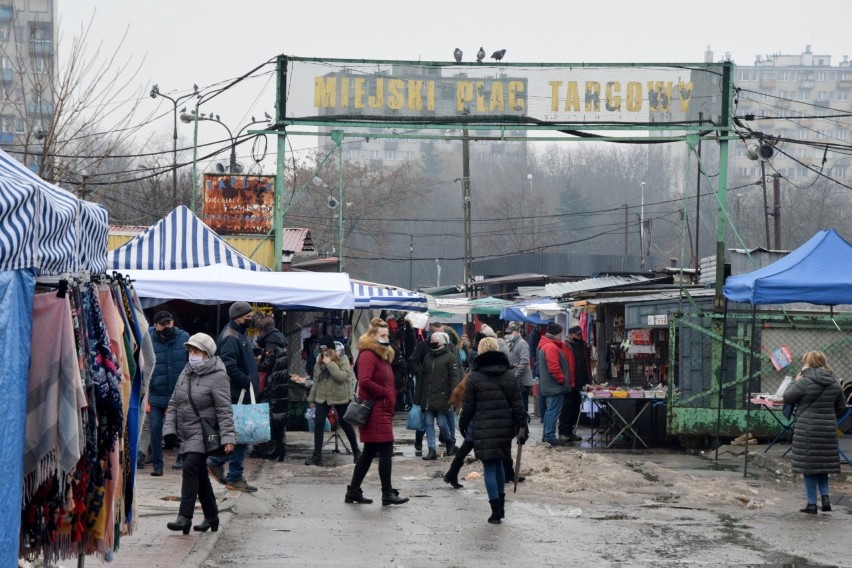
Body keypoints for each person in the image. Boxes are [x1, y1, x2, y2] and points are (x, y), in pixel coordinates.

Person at [163, 333, 236, 534]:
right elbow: (174, 403)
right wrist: (169, 429)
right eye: (190, 351)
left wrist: (229, 437)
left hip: (204, 433)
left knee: (189, 467)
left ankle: (184, 516)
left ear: (207, 354)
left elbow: (224, 408)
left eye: (196, 351)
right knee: (199, 475)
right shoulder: (186, 372)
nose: (192, 355)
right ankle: (212, 517)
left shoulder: (218, 375)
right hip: (185, 432)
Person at [458, 337, 527, 524]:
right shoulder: (508, 375)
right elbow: (518, 405)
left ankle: (495, 510)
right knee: (499, 464)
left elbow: (468, 406)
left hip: (483, 425)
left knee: (489, 466)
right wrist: (522, 427)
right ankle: (501, 508)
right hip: (505, 428)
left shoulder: (474, 377)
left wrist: (462, 425)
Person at [345, 318, 408, 506]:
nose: (386, 337)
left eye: (387, 334)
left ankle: (353, 491)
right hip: (374, 409)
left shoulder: (381, 354)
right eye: (383, 335)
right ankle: (387, 493)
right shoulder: (368, 355)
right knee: (385, 450)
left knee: (370, 451)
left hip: (381, 409)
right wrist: (385, 393)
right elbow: (364, 381)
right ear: (372, 336)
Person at [782, 350, 846, 514]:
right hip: (828, 429)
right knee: (822, 464)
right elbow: (841, 407)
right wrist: (828, 416)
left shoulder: (804, 381)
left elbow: (787, 397)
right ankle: (825, 500)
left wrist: (794, 381)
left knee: (809, 466)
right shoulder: (834, 383)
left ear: (808, 363)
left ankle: (811, 504)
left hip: (807, 429)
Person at [208, 301, 259, 493]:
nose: (250, 319)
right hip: (237, 394)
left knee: (240, 434)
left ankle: (232, 474)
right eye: (247, 317)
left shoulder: (237, 334)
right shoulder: (231, 337)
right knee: (239, 434)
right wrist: (245, 380)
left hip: (240, 393)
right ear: (238, 316)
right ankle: (223, 466)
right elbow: (228, 366)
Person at [305, 336, 360, 466]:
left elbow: (341, 377)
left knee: (345, 424)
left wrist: (330, 363)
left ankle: (356, 451)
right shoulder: (318, 361)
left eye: (327, 350)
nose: (324, 353)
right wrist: (311, 398)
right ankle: (317, 455)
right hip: (322, 396)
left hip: (340, 396)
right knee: (318, 424)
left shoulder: (343, 359)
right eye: (322, 350)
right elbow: (316, 381)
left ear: (332, 349)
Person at [148, 311, 190, 476]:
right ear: (156, 326)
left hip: (178, 391)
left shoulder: (184, 337)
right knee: (155, 429)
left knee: (182, 428)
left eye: (169, 323)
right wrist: (151, 382)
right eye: (163, 324)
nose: (167, 326)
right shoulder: (149, 340)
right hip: (158, 392)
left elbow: (191, 360)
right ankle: (158, 465)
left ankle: (182, 458)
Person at [413, 331, 461, 460]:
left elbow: (454, 379)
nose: (431, 343)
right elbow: (422, 379)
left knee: (441, 423)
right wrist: (417, 398)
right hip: (428, 397)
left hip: (442, 398)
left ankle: (450, 440)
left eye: (433, 340)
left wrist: (454, 397)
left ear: (440, 342)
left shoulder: (450, 357)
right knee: (428, 423)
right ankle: (431, 449)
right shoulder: (427, 357)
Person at [255, 316, 289, 462]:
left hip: (271, 385)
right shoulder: (280, 339)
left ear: (263, 330)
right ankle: (280, 450)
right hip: (280, 384)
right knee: (278, 419)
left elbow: (267, 365)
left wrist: (256, 362)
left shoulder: (270, 343)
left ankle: (270, 449)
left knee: (268, 418)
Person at [537, 322, 572, 446]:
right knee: (553, 411)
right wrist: (562, 380)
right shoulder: (551, 347)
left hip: (550, 385)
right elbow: (554, 367)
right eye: (560, 334)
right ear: (555, 334)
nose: (562, 336)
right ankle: (549, 436)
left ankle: (547, 435)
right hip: (555, 386)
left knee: (550, 411)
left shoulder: (545, 345)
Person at [561, 325, 590, 442]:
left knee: (576, 407)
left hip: (581, 380)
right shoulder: (565, 345)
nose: (580, 335)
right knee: (567, 407)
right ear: (571, 334)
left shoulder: (583, 345)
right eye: (577, 334)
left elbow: (586, 362)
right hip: (569, 381)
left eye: (580, 334)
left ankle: (570, 431)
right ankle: (563, 432)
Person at [505, 323, 534, 415]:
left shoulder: (522, 344)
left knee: (522, 406)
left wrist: (515, 375)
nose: (508, 335)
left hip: (522, 381)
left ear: (517, 332)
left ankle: (524, 422)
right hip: (517, 379)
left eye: (510, 333)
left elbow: (524, 362)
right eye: (507, 333)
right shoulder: (513, 343)